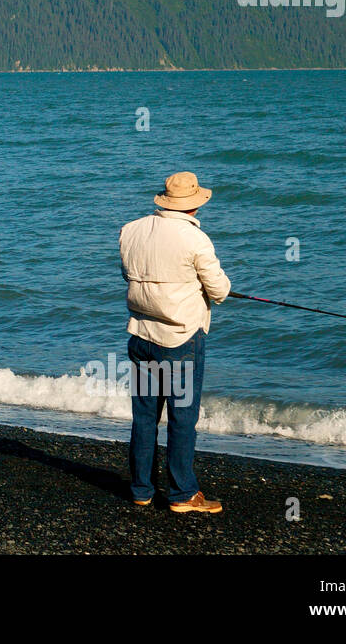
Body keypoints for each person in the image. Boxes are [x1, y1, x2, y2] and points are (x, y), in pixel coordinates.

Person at [119, 171, 230, 513]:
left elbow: (131, 276)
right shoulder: (195, 240)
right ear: (195, 205)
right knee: (182, 419)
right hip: (180, 339)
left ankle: (141, 489)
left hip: (140, 336)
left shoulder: (130, 230)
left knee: (144, 417)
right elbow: (221, 291)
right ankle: (183, 494)